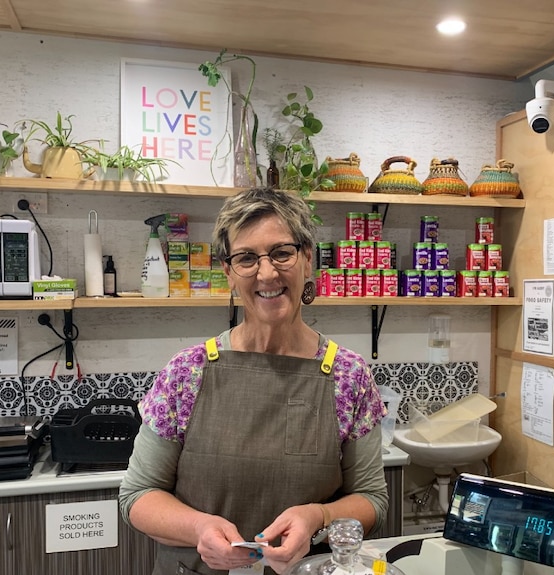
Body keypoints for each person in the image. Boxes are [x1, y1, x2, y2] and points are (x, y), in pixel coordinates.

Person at [119, 187, 389, 575]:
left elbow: (372, 500)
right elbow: (137, 496)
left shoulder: (348, 375)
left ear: (308, 259)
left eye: (282, 252)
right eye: (247, 258)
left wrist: (318, 517)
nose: (267, 273)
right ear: (229, 272)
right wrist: (198, 527)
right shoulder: (186, 372)